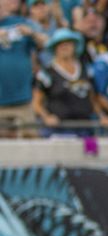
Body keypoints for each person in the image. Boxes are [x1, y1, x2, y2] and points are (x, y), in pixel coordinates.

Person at [32, 27, 97, 135]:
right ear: (55, 48)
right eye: (60, 44)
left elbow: (93, 98)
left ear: (74, 46)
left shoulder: (86, 69)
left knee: (92, 151)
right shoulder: (46, 73)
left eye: (68, 43)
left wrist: (101, 115)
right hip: (59, 129)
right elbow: (36, 103)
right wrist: (47, 117)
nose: (65, 47)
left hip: (85, 127)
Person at [0, 0, 47, 137]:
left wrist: (31, 33)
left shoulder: (20, 22)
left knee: (30, 143)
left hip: (23, 99)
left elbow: (47, 43)